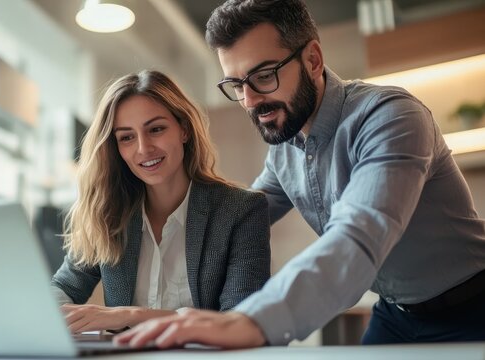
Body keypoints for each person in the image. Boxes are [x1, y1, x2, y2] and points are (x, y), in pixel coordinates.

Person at [115, 0, 485, 348]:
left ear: (312, 59)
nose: (250, 100)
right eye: (237, 85)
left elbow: (358, 235)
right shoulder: (284, 152)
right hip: (395, 313)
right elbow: (235, 218)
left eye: (263, 75)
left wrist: (251, 321)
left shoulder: (391, 118)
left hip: (472, 305)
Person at [51, 70, 271, 333]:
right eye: (127, 137)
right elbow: (63, 288)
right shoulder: (108, 213)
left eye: (156, 129)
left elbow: (239, 321)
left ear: (184, 130)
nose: (143, 148)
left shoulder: (241, 211)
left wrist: (129, 316)